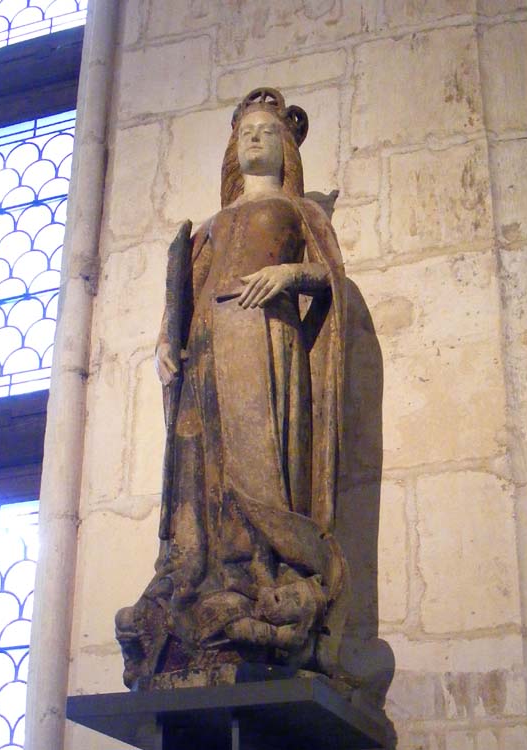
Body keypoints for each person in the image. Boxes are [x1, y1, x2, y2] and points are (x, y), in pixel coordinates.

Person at [116, 88, 350, 689]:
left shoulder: (300, 213)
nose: (254, 138)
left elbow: (329, 278)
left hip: (263, 341)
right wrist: (167, 341)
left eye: (268, 131)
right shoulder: (213, 226)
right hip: (207, 345)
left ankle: (258, 572)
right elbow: (185, 294)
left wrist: (288, 273)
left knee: (259, 463)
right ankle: (199, 576)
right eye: (246, 132)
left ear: (287, 148)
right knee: (203, 468)